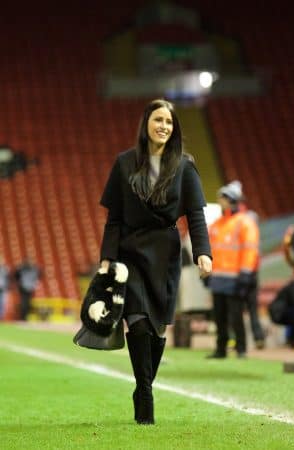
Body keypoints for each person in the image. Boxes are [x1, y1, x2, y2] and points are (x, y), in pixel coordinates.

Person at [99, 98, 212, 425]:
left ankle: (143, 383)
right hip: (130, 252)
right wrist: (107, 260)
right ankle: (145, 393)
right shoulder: (123, 164)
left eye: (169, 122)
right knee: (136, 319)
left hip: (166, 252)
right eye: (158, 120)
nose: (163, 126)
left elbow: (196, 215)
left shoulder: (185, 166)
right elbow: (114, 220)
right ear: (146, 124)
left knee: (158, 329)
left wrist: (203, 252)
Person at [206, 180, 260, 359]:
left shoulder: (244, 222)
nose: (220, 201)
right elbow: (210, 250)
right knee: (219, 317)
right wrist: (207, 271)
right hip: (218, 278)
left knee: (236, 316)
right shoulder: (217, 224)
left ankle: (241, 348)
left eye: (223, 198)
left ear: (231, 200)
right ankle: (221, 348)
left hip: (236, 278)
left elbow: (250, 249)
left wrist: (245, 273)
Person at [239, 200, 266, 349]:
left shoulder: (240, 222)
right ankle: (258, 338)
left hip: (241, 273)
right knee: (252, 309)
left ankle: (238, 340)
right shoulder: (253, 224)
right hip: (253, 272)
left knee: (236, 309)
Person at [14, 256, 41, 320]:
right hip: (23, 288)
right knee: (24, 303)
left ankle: (26, 317)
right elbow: (16, 275)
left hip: (30, 288)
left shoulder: (35, 269)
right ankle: (23, 317)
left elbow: (39, 276)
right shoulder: (22, 268)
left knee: (28, 303)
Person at [0, 255, 9, 319]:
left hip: (3, 288)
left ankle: (1, 317)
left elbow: (8, 279)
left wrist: (7, 287)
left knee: (2, 303)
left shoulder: (5, 269)